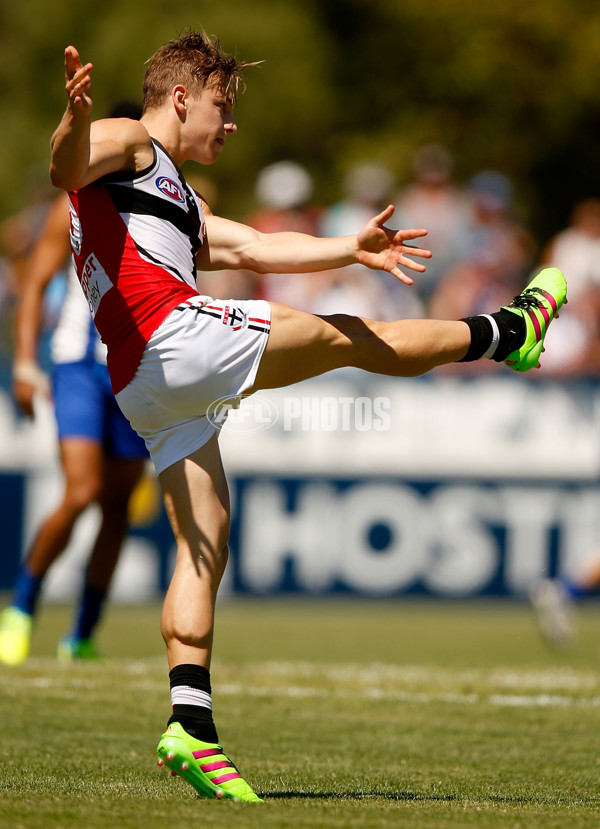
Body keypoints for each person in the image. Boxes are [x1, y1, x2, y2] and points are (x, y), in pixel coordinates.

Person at [48, 32, 566, 803]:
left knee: (205, 539)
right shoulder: (127, 143)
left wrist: (347, 248)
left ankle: (190, 721)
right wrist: (75, 114)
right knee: (352, 336)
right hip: (173, 337)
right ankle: (510, 332)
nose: (230, 127)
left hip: (144, 382)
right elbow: (67, 166)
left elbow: (257, 244)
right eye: (221, 109)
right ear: (181, 97)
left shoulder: (178, 196)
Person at [0, 111, 148, 665]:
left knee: (116, 507)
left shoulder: (161, 200)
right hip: (80, 367)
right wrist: (23, 364)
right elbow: (35, 284)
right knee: (82, 491)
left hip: (137, 370)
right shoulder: (74, 205)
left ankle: (82, 633)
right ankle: (22, 607)